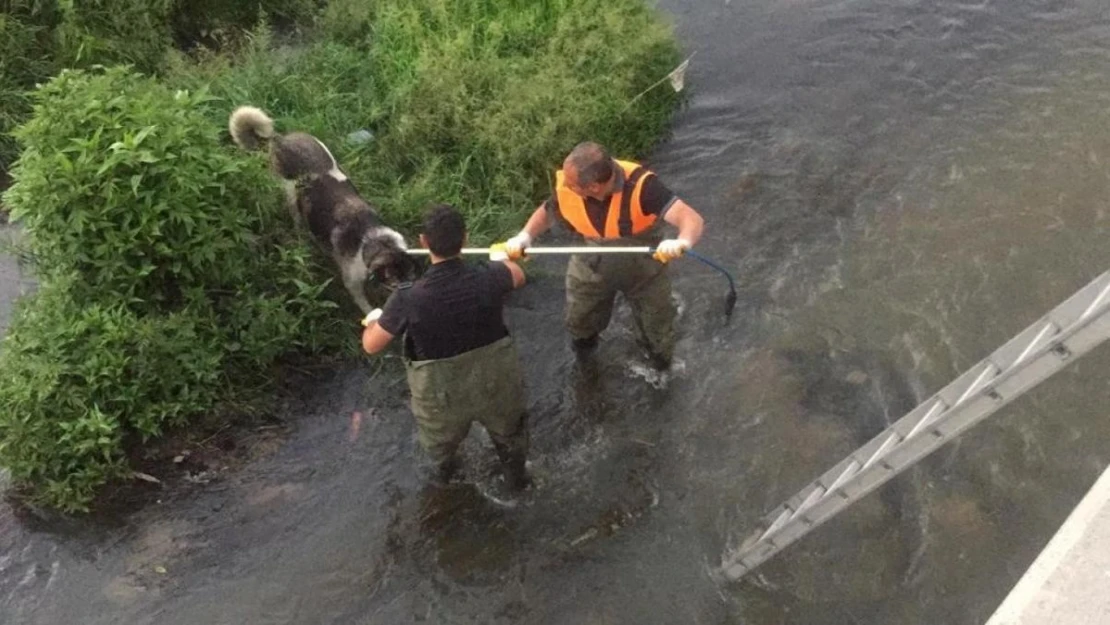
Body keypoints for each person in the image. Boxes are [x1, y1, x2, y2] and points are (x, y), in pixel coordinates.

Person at [361, 204, 531, 491]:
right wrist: (500, 257)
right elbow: (518, 275)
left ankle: (448, 493)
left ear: (423, 242)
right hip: (496, 382)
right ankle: (516, 486)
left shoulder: (407, 298)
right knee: (511, 439)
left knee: (441, 454)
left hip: (441, 396)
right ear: (464, 239)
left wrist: (374, 320)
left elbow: (371, 345)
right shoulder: (491, 275)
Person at [502, 142, 705, 370]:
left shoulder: (644, 187)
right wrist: (525, 236)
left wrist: (682, 241)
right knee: (581, 323)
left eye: (571, 184)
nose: (564, 185)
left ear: (594, 187)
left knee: (657, 332)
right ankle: (586, 365)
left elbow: (691, 219)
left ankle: (660, 367)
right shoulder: (570, 187)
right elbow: (548, 210)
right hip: (590, 263)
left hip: (645, 271)